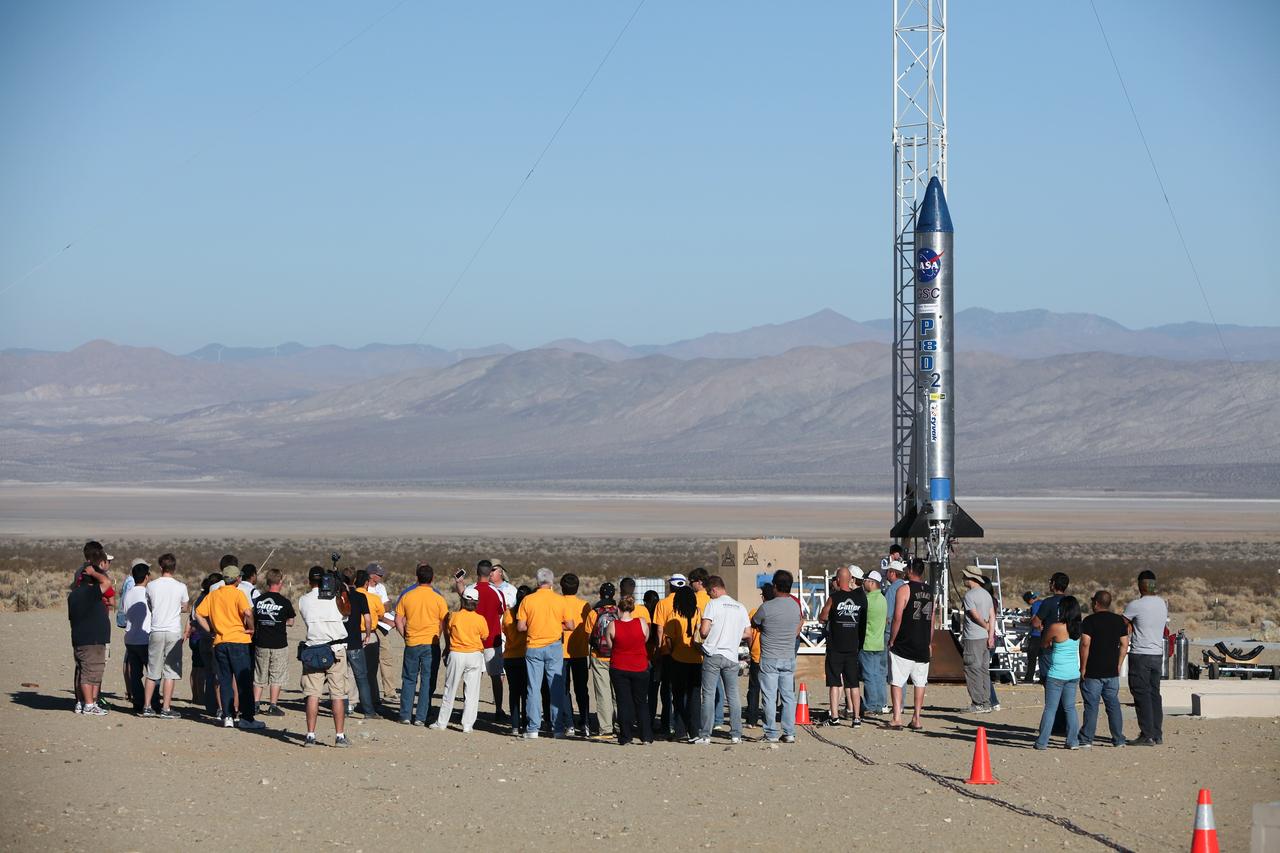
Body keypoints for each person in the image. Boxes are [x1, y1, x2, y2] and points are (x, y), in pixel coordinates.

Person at [194, 563, 264, 729]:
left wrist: (210, 630)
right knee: (243, 681)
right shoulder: (239, 594)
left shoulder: (213, 595)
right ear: (237, 579)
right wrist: (251, 628)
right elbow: (247, 612)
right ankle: (247, 718)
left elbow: (198, 613)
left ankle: (228, 716)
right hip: (239, 641)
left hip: (220, 642)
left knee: (225, 681)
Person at [297, 565, 353, 747]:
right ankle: (340, 735)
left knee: (312, 694)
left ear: (309, 580)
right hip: (335, 650)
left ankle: (310, 735)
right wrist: (342, 592)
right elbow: (346, 614)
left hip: (313, 649)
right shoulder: (335, 600)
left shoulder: (303, 600)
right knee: (337, 694)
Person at [517, 567, 575, 739]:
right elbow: (571, 625)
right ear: (551, 582)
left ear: (537, 581)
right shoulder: (560, 600)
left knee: (533, 688)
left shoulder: (528, 600)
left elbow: (521, 626)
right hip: (554, 646)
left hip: (534, 646)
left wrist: (534, 625)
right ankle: (557, 728)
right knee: (555, 687)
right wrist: (558, 626)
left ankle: (533, 728)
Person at [694, 575, 750, 744]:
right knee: (733, 695)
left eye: (710, 593)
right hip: (732, 656)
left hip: (713, 653)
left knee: (709, 695)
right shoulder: (740, 607)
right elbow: (748, 633)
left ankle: (705, 734)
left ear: (714, 590)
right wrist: (732, 636)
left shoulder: (713, 604)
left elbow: (703, 632)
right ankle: (736, 734)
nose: (710, 596)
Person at [395, 563, 448, 726]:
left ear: (417, 578)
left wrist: (405, 635)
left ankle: (405, 715)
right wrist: (440, 638)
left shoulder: (407, 596)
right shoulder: (438, 598)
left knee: (409, 679)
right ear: (432, 578)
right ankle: (421, 717)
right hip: (431, 644)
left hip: (412, 642)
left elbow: (398, 619)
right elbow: (443, 622)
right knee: (427, 680)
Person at [754, 569, 802, 744]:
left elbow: (756, 622)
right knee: (788, 696)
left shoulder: (767, 607)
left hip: (770, 657)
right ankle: (789, 732)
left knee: (769, 696)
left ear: (775, 586)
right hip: (788, 656)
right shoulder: (795, 606)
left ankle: (771, 733)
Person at [456, 560, 507, 724]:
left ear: (477, 572)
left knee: (471, 676)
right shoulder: (497, 592)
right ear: (490, 573)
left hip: (473, 641)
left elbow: (463, 606)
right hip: (493, 640)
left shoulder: (470, 590)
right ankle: (498, 709)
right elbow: (502, 612)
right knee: (496, 676)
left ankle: (468, 709)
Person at [432, 587, 489, 732]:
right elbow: (485, 636)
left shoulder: (454, 616)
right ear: (476, 603)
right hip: (475, 655)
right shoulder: (480, 619)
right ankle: (468, 725)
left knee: (450, 689)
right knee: (472, 692)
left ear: (462, 600)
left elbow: (449, 630)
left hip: (457, 654)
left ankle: (442, 723)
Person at [1124, 570, 1168, 746]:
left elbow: (1123, 623)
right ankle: (1157, 733)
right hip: (1157, 654)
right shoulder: (1162, 604)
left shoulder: (1135, 605)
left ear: (1139, 585)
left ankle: (1146, 734)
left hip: (1141, 654)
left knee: (1140, 694)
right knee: (1154, 694)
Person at [1079, 590, 1128, 748]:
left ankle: (1087, 739)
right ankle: (1118, 738)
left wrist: (1083, 667)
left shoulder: (1089, 621)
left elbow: (1085, 643)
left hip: (1093, 670)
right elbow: (1124, 644)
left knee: (1091, 706)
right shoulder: (1119, 621)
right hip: (1111, 671)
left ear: (1096, 603)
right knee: (1113, 705)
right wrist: (1119, 664)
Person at [819, 566, 868, 726]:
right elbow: (863, 623)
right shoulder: (861, 599)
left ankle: (834, 716)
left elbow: (823, 616)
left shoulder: (834, 598)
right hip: (853, 646)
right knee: (853, 683)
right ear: (851, 579)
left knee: (834, 682)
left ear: (839, 580)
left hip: (835, 646)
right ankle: (856, 718)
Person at [888, 558, 932, 731]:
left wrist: (892, 638)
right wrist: (929, 641)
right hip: (922, 642)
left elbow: (897, 617)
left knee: (897, 680)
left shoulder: (904, 589)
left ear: (911, 570)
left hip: (905, 642)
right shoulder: (930, 591)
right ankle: (917, 718)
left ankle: (897, 717)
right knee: (920, 682)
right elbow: (931, 620)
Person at [142, 552, 188, 719]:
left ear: (161, 567)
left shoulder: (151, 586)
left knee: (153, 670)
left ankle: (147, 706)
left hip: (156, 629)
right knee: (170, 672)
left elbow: (149, 604)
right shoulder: (181, 587)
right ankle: (166, 707)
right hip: (173, 631)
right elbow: (185, 606)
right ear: (174, 568)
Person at [70, 548, 113, 716]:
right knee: (92, 672)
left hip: (79, 637)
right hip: (92, 639)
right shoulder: (91, 591)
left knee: (83, 670)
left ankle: (83, 702)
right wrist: (95, 572)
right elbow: (107, 583)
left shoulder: (73, 595)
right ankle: (89, 704)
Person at [1035, 595, 1082, 750]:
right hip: (1073, 673)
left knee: (1050, 708)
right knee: (1070, 708)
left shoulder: (1056, 627)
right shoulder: (1079, 628)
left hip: (1056, 674)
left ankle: (1042, 742)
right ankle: (1072, 741)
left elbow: (1044, 644)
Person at [607, 594, 653, 745]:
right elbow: (645, 640)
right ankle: (646, 736)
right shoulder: (641, 622)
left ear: (619, 609)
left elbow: (610, 646)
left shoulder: (613, 625)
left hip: (619, 666)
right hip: (640, 666)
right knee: (641, 702)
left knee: (623, 701)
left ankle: (626, 736)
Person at [251, 568, 295, 717]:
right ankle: (273, 705)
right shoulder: (284, 602)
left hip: (261, 642)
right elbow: (291, 621)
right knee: (276, 675)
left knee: (259, 674)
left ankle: (256, 703)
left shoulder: (259, 601)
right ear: (280, 582)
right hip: (279, 644)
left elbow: (253, 618)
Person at [663, 586, 703, 742]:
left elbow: (668, 639)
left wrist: (672, 651)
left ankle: (680, 729)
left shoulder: (674, 615)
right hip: (697, 660)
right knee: (695, 696)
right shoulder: (699, 613)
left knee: (678, 696)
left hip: (678, 659)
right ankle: (695, 730)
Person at [650, 573, 686, 737]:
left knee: (666, 690)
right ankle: (682, 725)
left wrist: (658, 649)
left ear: (670, 586)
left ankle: (667, 724)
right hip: (685, 651)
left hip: (666, 651)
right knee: (682, 690)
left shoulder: (662, 604)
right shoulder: (688, 603)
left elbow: (659, 629)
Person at [582, 582, 618, 739]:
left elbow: (588, 636)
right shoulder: (620, 611)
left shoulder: (594, 613)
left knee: (603, 692)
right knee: (618, 692)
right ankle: (620, 724)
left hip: (599, 656)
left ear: (600, 594)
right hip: (618, 656)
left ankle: (606, 728)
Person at [122, 561, 157, 716]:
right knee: (153, 672)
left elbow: (124, 612)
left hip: (130, 638)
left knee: (135, 675)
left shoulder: (128, 593)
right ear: (146, 576)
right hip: (145, 638)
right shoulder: (147, 593)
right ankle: (153, 702)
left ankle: (138, 702)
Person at [559, 573, 591, 736]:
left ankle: (569, 724)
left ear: (561, 587)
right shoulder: (585, 606)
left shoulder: (558, 603)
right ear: (577, 587)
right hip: (580, 651)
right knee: (582, 688)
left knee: (564, 689)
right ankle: (585, 722)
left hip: (561, 652)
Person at [960, 566, 995, 714]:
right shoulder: (987, 594)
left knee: (972, 669)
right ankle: (986, 702)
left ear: (971, 578)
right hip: (985, 638)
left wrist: (986, 626)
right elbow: (992, 615)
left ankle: (978, 703)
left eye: (965, 577)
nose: (963, 579)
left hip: (973, 637)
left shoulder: (970, 596)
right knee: (983, 670)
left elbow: (975, 615)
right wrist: (991, 634)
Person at [342, 571, 375, 718]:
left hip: (339, 643)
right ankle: (369, 711)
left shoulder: (337, 597)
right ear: (355, 580)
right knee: (361, 677)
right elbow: (367, 619)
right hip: (355, 642)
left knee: (341, 678)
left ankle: (343, 708)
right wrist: (367, 635)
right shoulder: (360, 597)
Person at [365, 563, 398, 704]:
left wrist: (381, 612)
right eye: (379, 575)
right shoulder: (364, 588)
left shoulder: (381, 588)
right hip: (366, 625)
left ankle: (389, 691)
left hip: (380, 626)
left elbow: (386, 605)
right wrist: (380, 611)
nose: (381, 577)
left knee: (386, 657)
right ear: (371, 575)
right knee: (367, 661)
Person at [502, 585, 533, 735]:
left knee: (514, 692)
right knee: (526, 692)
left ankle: (515, 725)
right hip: (526, 656)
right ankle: (527, 724)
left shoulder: (508, 613)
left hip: (510, 656)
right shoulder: (530, 614)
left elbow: (505, 631)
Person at [859, 570, 889, 716]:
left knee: (869, 675)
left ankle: (871, 705)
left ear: (871, 582)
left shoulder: (867, 600)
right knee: (877, 675)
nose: (863, 583)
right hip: (879, 642)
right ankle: (879, 703)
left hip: (867, 642)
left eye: (865, 581)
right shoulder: (883, 599)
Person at [743, 583, 772, 728]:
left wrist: (750, 647)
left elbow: (748, 635)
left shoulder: (754, 612)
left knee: (754, 689)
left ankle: (752, 719)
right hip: (772, 655)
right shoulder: (776, 612)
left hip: (756, 655)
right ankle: (769, 718)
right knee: (770, 690)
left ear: (763, 597)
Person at [1022, 591, 1042, 683]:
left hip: (1036, 634)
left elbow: (1034, 619)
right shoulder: (1042, 603)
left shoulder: (1035, 605)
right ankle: (1043, 678)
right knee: (1042, 657)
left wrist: (1025, 620)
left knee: (1032, 657)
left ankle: (1029, 678)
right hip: (1043, 634)